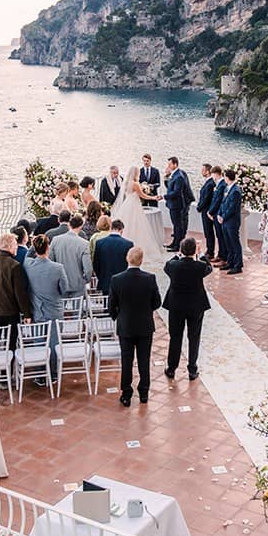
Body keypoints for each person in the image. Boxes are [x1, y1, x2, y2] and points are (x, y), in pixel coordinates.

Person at [109, 246, 161, 406]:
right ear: (141, 260)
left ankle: (126, 393)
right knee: (144, 360)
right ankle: (144, 392)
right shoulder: (149, 278)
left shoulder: (116, 279)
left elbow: (112, 305)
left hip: (125, 325)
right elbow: (157, 302)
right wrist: (146, 310)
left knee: (127, 360)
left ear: (127, 259)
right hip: (145, 325)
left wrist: (118, 316)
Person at [23, 234, 71, 381]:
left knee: (39, 342)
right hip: (55, 310)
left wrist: (34, 244)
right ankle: (54, 374)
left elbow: (28, 254)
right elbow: (65, 289)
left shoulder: (28, 265)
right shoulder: (58, 268)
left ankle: (40, 374)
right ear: (48, 248)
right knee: (54, 343)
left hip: (37, 310)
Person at [163, 237, 211, 381]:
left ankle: (171, 368)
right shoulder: (200, 267)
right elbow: (209, 267)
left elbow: (167, 264)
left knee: (175, 337)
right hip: (195, 305)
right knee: (194, 337)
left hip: (176, 305)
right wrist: (201, 254)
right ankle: (192, 369)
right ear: (194, 251)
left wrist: (178, 254)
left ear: (181, 250)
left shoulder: (173, 266)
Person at [110, 167, 165, 262]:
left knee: (127, 224)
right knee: (137, 226)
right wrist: (154, 198)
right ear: (136, 174)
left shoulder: (126, 183)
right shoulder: (135, 184)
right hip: (134, 205)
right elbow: (143, 196)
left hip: (127, 204)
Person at [50, 214, 93, 293]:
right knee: (77, 305)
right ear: (81, 226)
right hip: (77, 285)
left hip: (60, 284)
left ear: (69, 225)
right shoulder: (84, 244)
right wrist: (85, 280)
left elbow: (51, 261)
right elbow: (88, 270)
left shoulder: (55, 240)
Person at [92, 219, 134, 295]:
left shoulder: (99, 243)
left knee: (106, 304)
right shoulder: (128, 244)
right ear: (121, 230)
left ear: (111, 228)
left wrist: (101, 276)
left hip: (105, 281)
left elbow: (96, 264)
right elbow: (130, 264)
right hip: (122, 282)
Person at [216, 168, 243, 274]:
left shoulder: (236, 191)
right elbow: (223, 203)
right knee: (228, 242)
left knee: (234, 243)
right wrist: (219, 214)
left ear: (227, 177)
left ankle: (238, 265)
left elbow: (232, 207)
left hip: (232, 221)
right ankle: (230, 262)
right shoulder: (227, 188)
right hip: (225, 220)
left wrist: (223, 217)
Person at [163, 156, 193, 250]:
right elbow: (170, 187)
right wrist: (166, 176)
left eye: (170, 164)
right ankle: (174, 243)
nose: (168, 166)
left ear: (175, 164)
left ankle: (177, 245)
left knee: (177, 225)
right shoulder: (174, 174)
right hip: (173, 204)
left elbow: (176, 192)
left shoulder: (179, 176)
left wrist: (164, 196)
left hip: (177, 205)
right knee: (175, 225)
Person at [196, 163, 219, 261]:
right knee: (207, 232)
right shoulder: (208, 182)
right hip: (205, 210)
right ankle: (209, 250)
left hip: (207, 211)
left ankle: (210, 252)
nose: (201, 171)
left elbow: (207, 198)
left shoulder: (210, 184)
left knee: (209, 232)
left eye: (203, 170)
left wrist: (199, 207)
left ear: (208, 171)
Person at [207, 166, 228, 266]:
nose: (212, 177)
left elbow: (218, 200)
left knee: (221, 236)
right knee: (218, 235)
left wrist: (210, 212)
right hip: (215, 214)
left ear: (216, 174)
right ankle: (220, 254)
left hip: (218, 213)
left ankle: (223, 256)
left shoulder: (222, 185)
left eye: (213, 174)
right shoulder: (219, 184)